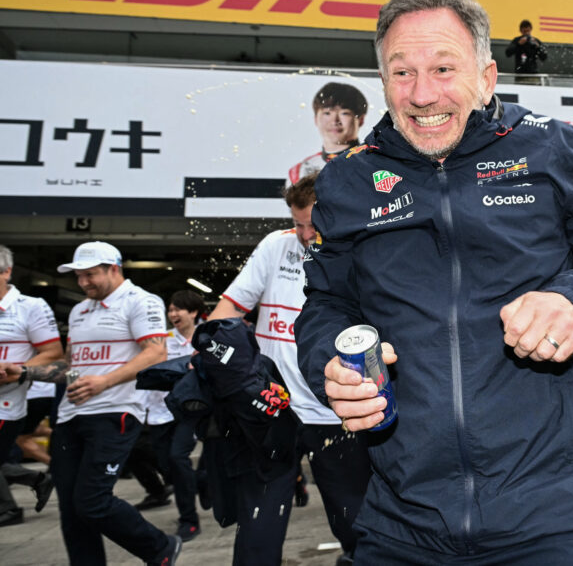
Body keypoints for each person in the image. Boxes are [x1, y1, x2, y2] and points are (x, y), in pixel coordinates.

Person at [295, 0, 573, 563]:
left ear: (486, 76)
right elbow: (326, 306)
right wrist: (329, 362)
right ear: (383, 82)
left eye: (443, 68)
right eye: (401, 73)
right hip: (398, 519)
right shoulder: (346, 181)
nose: (422, 94)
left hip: (554, 515)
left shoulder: (554, 147)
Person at [209, 174, 371, 562]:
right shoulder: (277, 246)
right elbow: (228, 310)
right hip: (273, 409)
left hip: (334, 414)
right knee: (259, 520)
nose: (302, 233)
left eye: (312, 225)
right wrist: (211, 349)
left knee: (353, 518)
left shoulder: (361, 251)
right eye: (297, 223)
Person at [1, 241, 182, 564]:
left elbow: (156, 352)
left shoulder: (141, 301)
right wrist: (24, 372)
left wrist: (104, 382)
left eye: (90, 275)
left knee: (92, 501)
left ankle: (160, 548)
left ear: (114, 269)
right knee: (71, 510)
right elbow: (71, 369)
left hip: (116, 413)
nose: (83, 282)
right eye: (79, 276)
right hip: (71, 417)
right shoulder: (80, 310)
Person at [0, 245, 61, 526]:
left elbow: (53, 353)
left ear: (7, 271)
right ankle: (34, 479)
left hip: (8, 404)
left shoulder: (31, 307)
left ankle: (10, 508)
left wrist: (18, 370)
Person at [154, 290, 206, 542]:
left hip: (194, 409)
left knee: (178, 456)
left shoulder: (208, 336)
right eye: (170, 310)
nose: (173, 314)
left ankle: (189, 520)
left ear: (194, 312)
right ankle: (199, 484)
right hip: (162, 410)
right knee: (168, 464)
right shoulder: (163, 339)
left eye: (178, 309)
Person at [288, 82, 369, 184]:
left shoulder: (376, 164)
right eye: (327, 113)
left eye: (344, 113)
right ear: (315, 119)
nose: (334, 121)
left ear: (360, 119)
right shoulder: (300, 172)